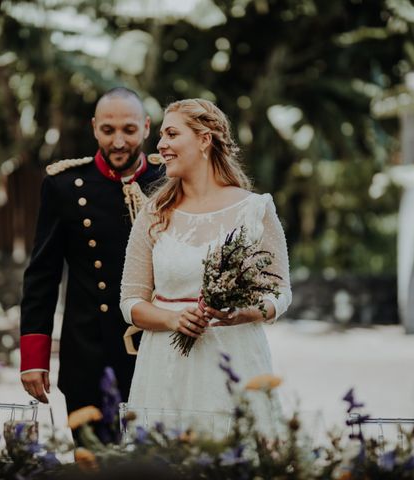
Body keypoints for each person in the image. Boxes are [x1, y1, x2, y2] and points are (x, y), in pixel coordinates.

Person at [119, 98, 292, 435]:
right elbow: (130, 302)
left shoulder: (254, 210)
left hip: (235, 358)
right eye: (161, 136)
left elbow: (280, 291)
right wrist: (172, 318)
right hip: (164, 363)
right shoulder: (154, 213)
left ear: (204, 139)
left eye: (171, 134)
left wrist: (244, 312)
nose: (161, 144)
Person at [20, 88, 163, 414]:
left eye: (128, 129)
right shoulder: (65, 186)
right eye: (107, 130)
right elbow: (42, 276)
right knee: (91, 462)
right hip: (88, 352)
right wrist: (33, 357)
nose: (118, 141)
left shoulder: (170, 181)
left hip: (158, 347)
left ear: (145, 127)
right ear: (94, 126)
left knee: (157, 462)